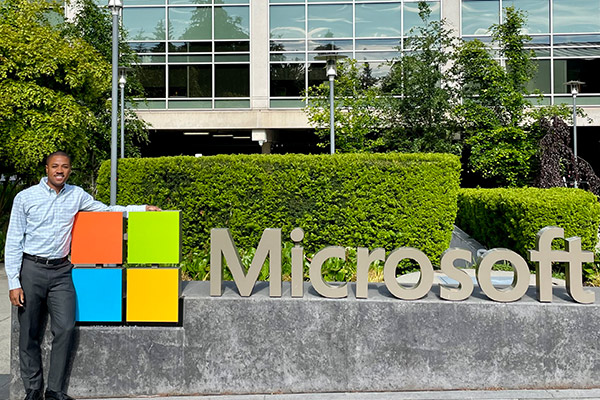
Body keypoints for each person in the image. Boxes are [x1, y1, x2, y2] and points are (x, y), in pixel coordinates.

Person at [4, 151, 161, 400]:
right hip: (31, 269)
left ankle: (54, 390)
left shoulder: (76, 195)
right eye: (55, 166)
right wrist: (14, 282)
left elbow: (106, 210)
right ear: (46, 169)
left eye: (64, 167)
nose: (59, 170)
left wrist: (139, 210)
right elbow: (13, 241)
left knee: (66, 327)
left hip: (61, 271)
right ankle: (33, 389)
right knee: (29, 331)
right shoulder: (26, 198)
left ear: (69, 170)